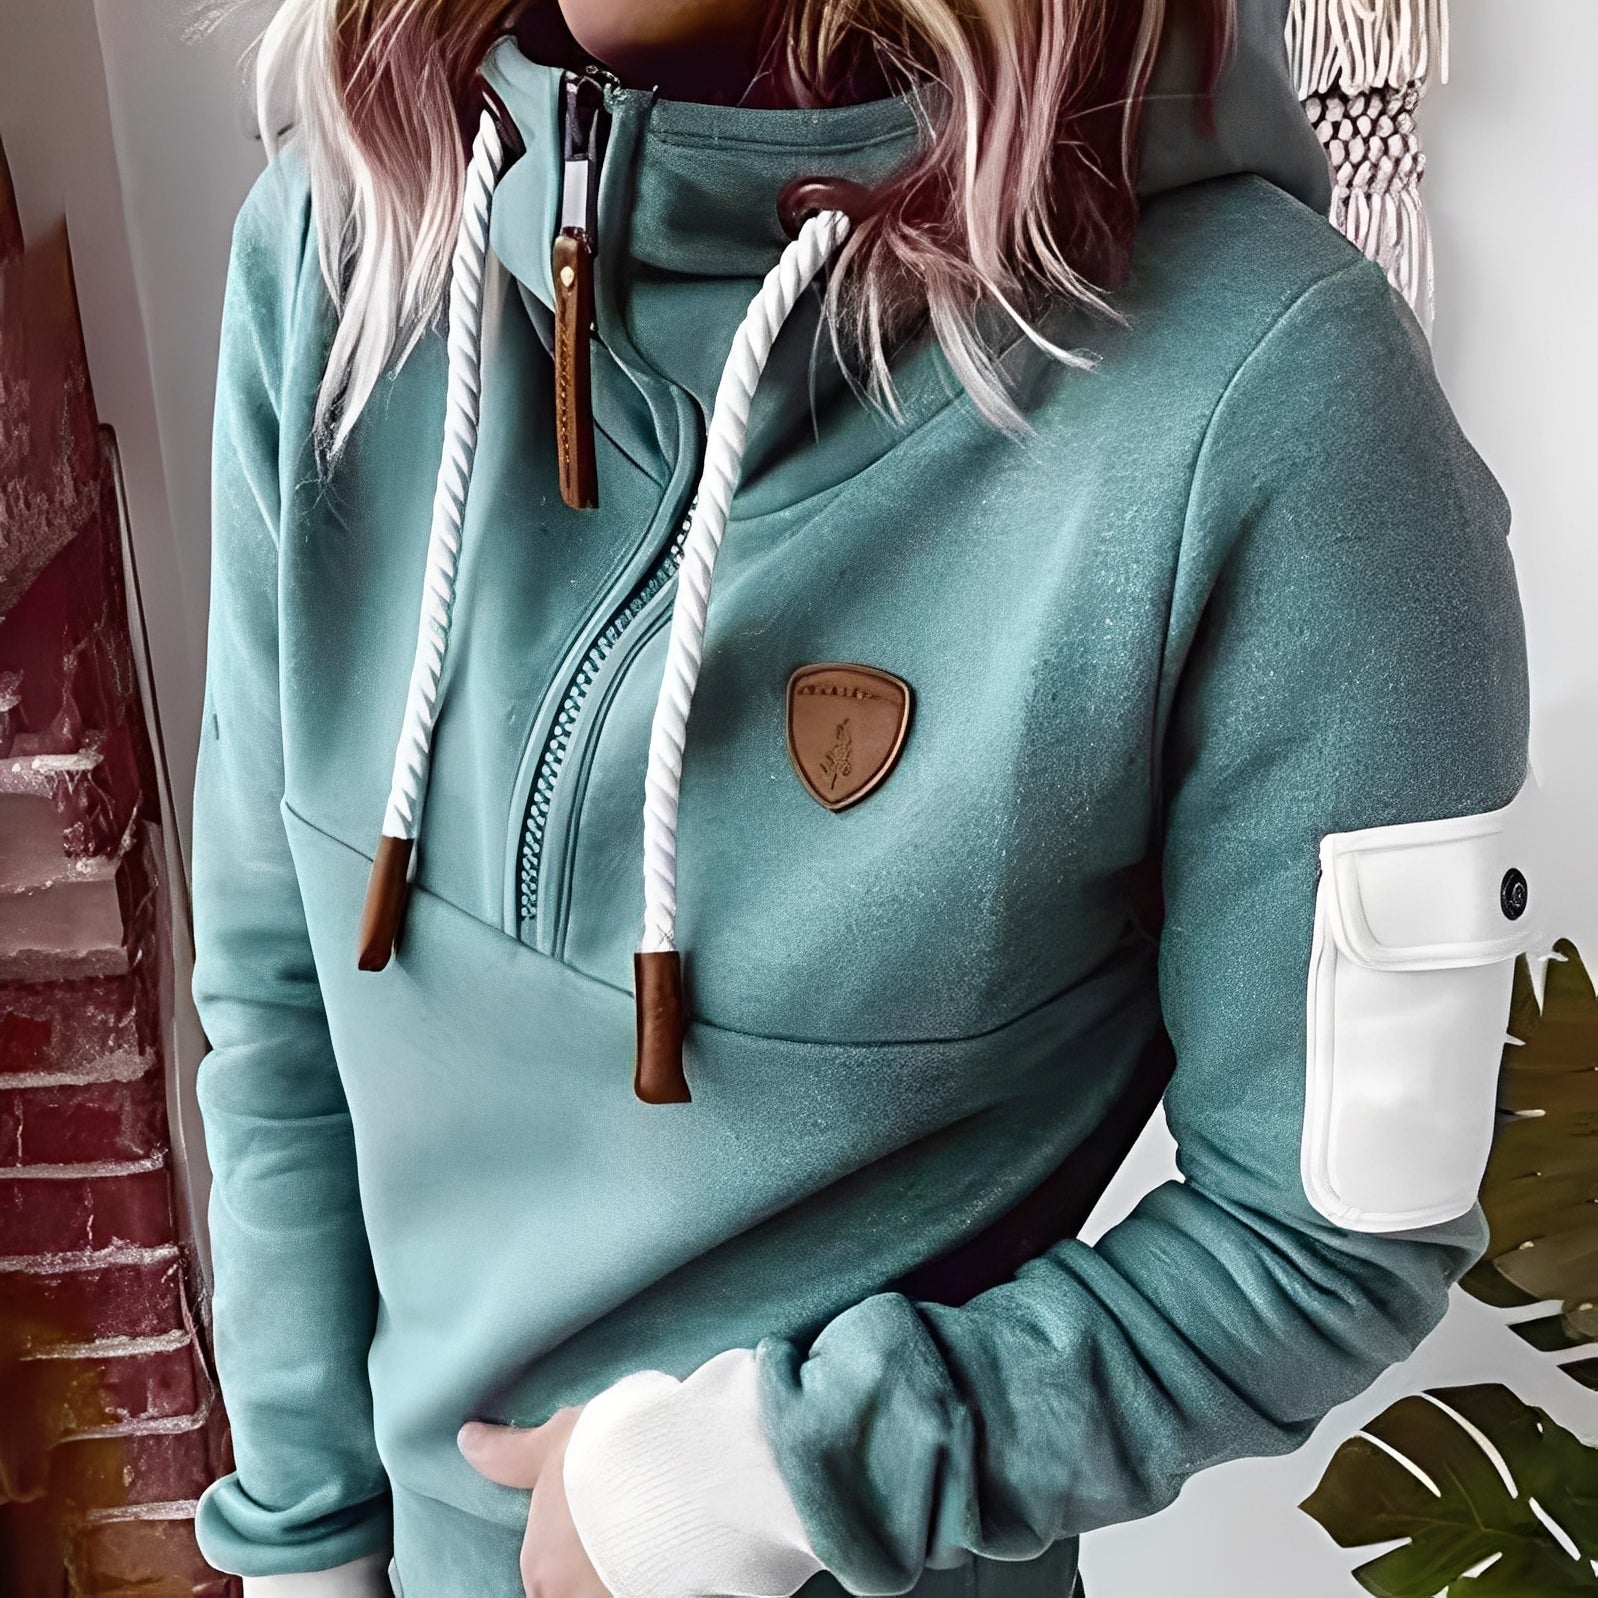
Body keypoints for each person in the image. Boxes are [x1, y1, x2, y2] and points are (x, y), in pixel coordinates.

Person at [187, 1, 1541, 1596]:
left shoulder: (1278, 396)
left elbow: (1327, 1238)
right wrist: (301, 1546)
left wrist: (776, 1471)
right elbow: (276, 991)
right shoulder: (340, 248)